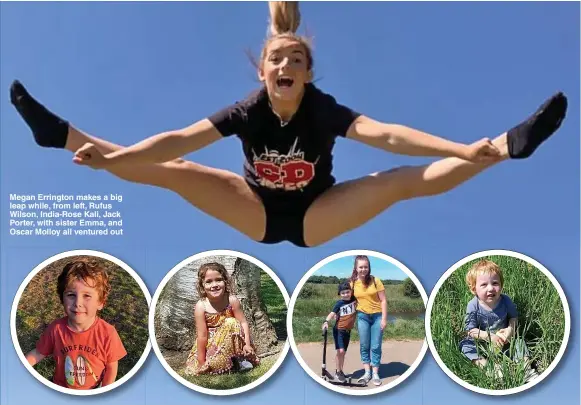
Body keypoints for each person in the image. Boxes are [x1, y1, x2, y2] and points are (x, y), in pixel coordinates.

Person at [9, 2, 568, 248]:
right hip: (253, 208)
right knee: (173, 169)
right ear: (262, 69)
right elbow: (178, 141)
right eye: (277, 59)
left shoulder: (321, 108)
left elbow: (389, 136)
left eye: (296, 61)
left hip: (314, 215)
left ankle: (502, 147)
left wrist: (462, 149)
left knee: (396, 182)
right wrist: (109, 160)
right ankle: (62, 137)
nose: (285, 66)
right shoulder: (246, 110)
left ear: (308, 73)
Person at [25, 260, 127, 389]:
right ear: (62, 299)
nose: (77, 303)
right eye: (71, 295)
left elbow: (112, 367)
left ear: (100, 302)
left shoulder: (108, 333)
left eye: (87, 296)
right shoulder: (56, 329)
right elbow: (38, 353)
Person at [459, 259, 539, 382]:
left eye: (495, 283)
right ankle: (490, 369)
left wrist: (510, 330)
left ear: (501, 285)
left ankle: (526, 369)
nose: (490, 288)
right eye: (484, 285)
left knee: (519, 342)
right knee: (465, 345)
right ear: (474, 289)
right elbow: (470, 330)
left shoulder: (505, 301)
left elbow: (513, 318)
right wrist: (488, 336)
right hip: (482, 343)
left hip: (504, 341)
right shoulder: (473, 305)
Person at [184, 262, 260, 375]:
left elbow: (243, 323)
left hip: (236, 343)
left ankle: (240, 359)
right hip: (214, 345)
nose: (214, 285)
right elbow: (202, 336)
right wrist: (201, 361)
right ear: (202, 286)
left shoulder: (232, 300)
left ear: (225, 281)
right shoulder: (201, 306)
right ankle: (222, 364)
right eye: (208, 282)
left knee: (231, 322)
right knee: (201, 367)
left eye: (218, 280)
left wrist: (247, 344)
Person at [349, 255, 387, 386]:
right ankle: (367, 373)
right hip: (362, 316)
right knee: (364, 345)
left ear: (369, 267)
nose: (363, 269)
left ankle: (375, 373)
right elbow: (348, 301)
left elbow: (383, 300)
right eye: (361, 267)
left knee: (375, 346)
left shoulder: (376, 280)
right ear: (356, 268)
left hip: (377, 316)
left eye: (366, 267)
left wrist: (384, 319)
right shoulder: (352, 283)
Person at [322, 281, 357, 383]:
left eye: (347, 292)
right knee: (340, 351)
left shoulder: (354, 300)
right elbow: (332, 313)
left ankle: (340, 371)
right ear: (340, 294)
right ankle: (338, 372)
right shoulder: (339, 303)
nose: (345, 294)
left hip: (348, 331)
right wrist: (326, 321)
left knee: (343, 353)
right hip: (339, 330)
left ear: (351, 292)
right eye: (343, 293)